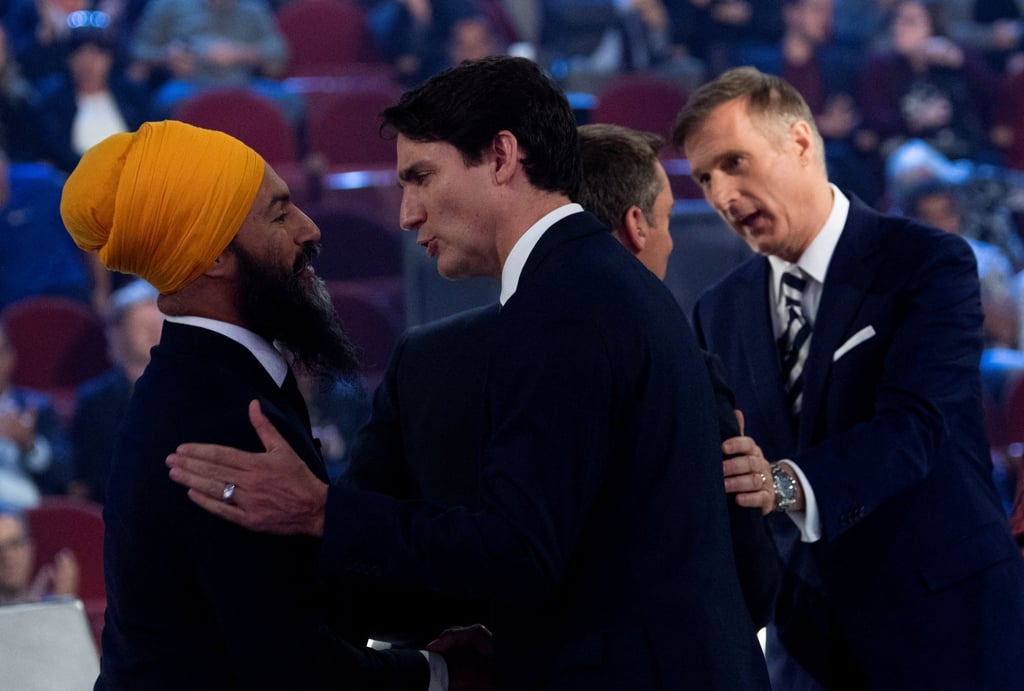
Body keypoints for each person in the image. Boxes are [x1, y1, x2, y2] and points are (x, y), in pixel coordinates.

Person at [166, 56, 772, 689]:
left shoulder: (563, 304)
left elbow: (520, 551)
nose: (407, 214)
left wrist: (323, 511)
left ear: (503, 156)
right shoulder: (598, 284)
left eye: (422, 176)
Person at [60, 120, 457, 689]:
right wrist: (442, 675)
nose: (310, 229)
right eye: (279, 214)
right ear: (216, 254)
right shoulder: (217, 418)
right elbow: (290, 666)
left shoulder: (209, 384)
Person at [673, 65, 1024, 690]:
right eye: (705, 177)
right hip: (804, 647)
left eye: (735, 162)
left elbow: (914, 427)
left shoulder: (926, 261)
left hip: (940, 625)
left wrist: (783, 484)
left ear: (801, 143)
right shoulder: (716, 309)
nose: (723, 195)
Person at [68, 280, 162, 503]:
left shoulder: (191, 389)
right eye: (142, 325)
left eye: (159, 324)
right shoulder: (94, 402)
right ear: (116, 333)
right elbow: (91, 475)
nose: (154, 332)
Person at [0, 324, 74, 509]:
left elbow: (66, 471)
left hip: (30, 517)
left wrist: (29, 444)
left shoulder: (38, 407)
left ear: (10, 357)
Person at [0, 504, 78, 605]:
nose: (7, 556)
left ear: (30, 548)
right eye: (0, 548)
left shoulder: (54, 601)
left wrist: (64, 602)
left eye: (15, 544)